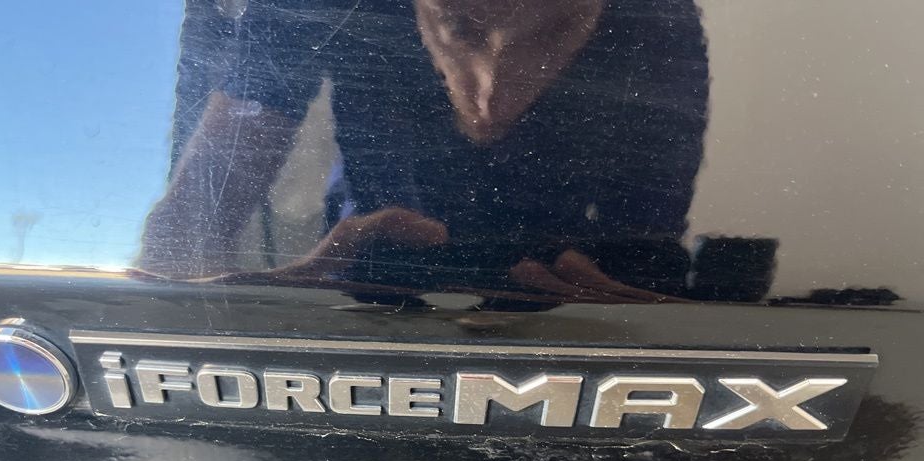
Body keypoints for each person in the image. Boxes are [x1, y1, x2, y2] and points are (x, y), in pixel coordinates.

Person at [138, 0, 709, 303]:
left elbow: (651, 247)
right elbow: (185, 226)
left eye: (549, 28)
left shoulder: (661, 21)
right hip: (360, 297)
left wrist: (634, 306)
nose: (489, 97)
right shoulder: (308, 7)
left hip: (571, 329)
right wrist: (275, 298)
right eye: (459, 24)